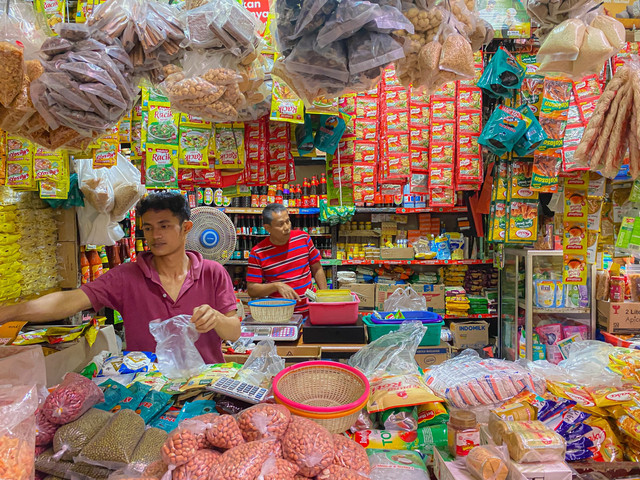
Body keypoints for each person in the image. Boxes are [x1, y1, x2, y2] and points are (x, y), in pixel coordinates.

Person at [0, 192, 240, 364]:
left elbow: (233, 332)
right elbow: (69, 301)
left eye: (164, 226)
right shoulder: (126, 276)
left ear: (186, 228)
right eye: (148, 228)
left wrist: (216, 318)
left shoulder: (212, 272)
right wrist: (9, 313)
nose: (155, 235)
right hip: (147, 391)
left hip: (205, 386)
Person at [246, 203, 327, 315]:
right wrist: (276, 286)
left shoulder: (303, 238)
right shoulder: (257, 253)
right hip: (280, 314)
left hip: (311, 310)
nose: (287, 227)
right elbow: (252, 289)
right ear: (267, 228)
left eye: (288, 221)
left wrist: (325, 298)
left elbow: (317, 269)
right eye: (280, 224)